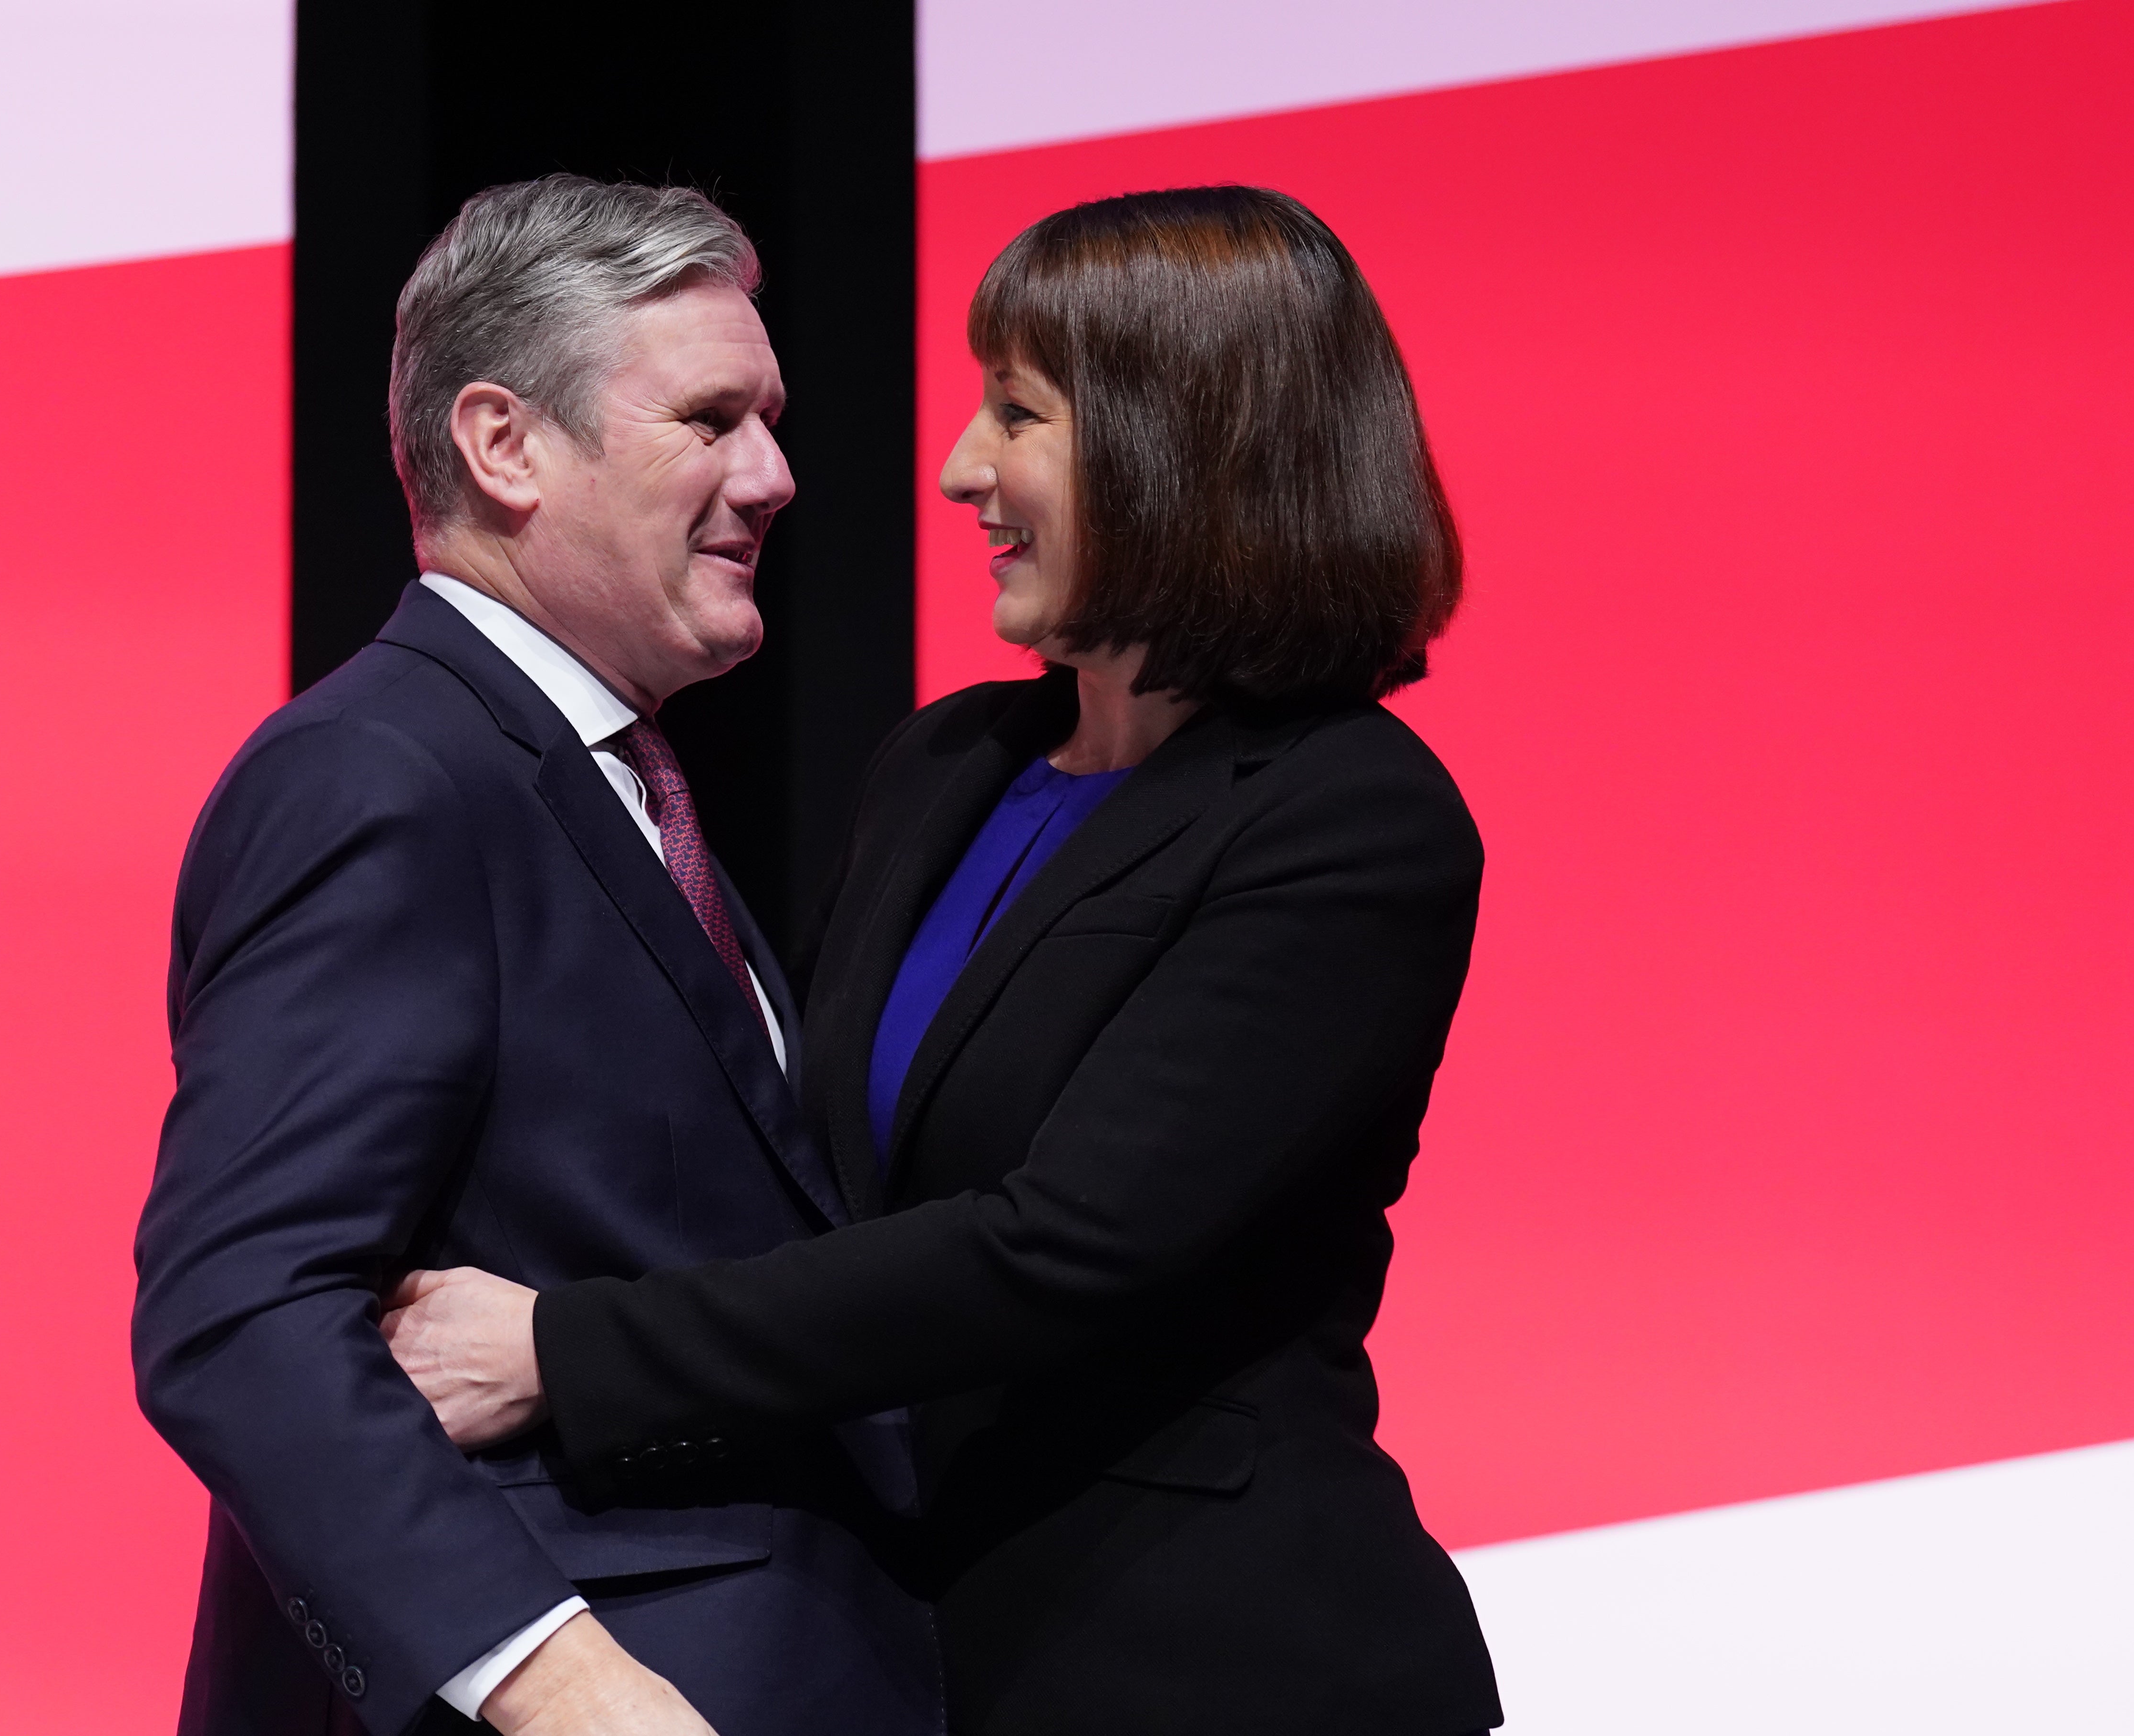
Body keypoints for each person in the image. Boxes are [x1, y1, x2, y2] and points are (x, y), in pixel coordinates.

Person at [378, 186, 1508, 1735]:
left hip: (1209, 1672)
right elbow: (808, 1184)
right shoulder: (949, 764)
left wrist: (565, 1353)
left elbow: (1064, 1250)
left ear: (1190, 449)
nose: (962, 466)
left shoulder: (1349, 817)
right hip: (909, 1652)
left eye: (1021, 413)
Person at [130, 176, 938, 1736]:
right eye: (708, 419)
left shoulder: (603, 780)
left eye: (770, 420)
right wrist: (559, 1683)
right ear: (505, 446)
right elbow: (238, 1313)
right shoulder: (381, 774)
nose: (773, 475)